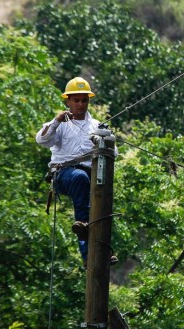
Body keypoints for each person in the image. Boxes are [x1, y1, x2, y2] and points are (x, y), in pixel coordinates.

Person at [36, 77, 117, 268]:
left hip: (91, 176)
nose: (80, 104)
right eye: (76, 100)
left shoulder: (96, 126)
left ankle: (99, 251)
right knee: (80, 182)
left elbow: (113, 153)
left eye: (84, 100)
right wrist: (56, 121)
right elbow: (42, 140)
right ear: (68, 101)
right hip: (64, 175)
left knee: (101, 202)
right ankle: (85, 240)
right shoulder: (59, 124)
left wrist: (102, 140)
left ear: (88, 101)